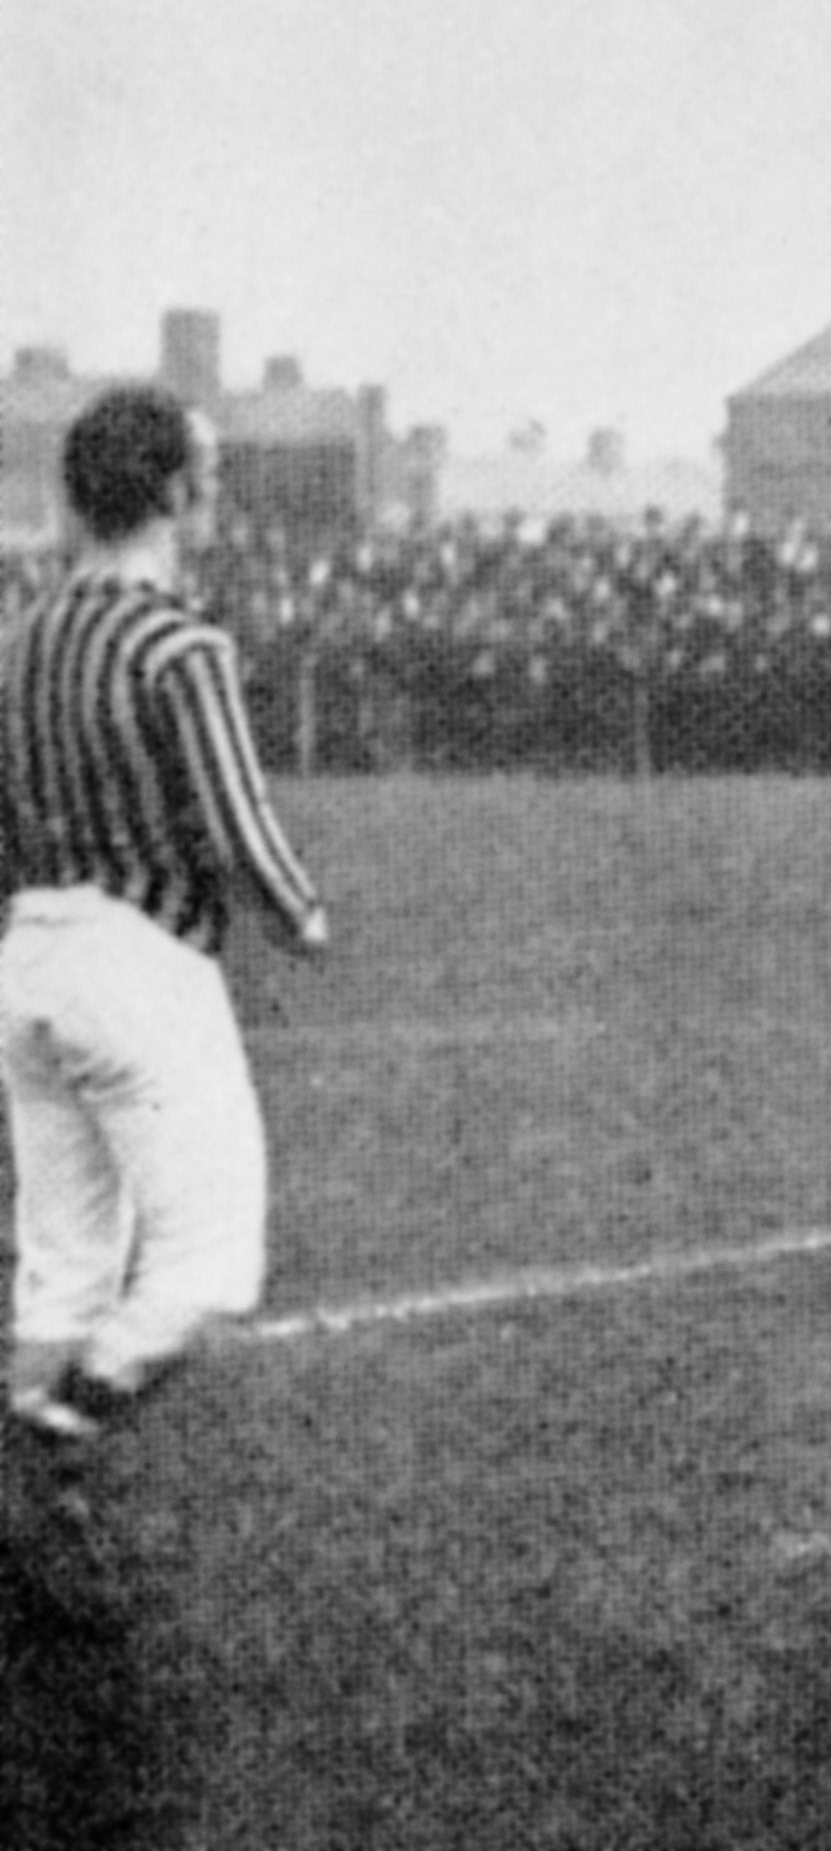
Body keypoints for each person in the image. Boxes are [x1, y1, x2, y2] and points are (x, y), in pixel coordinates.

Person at [3, 388, 330, 1523]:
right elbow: (235, 822)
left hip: (29, 958)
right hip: (142, 967)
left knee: (64, 1263)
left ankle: (33, 1507)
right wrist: (303, 915)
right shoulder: (180, 646)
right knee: (206, 1267)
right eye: (208, 469)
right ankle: (60, 1430)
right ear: (175, 488)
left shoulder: (23, 638)